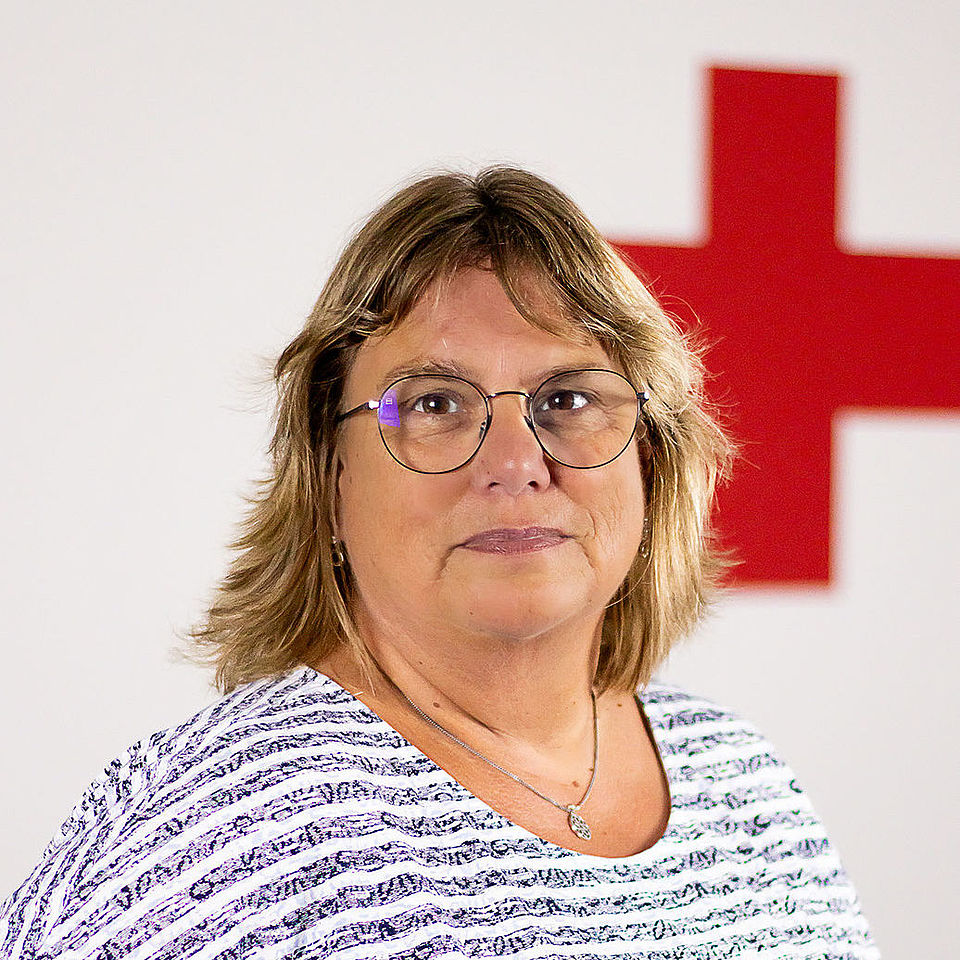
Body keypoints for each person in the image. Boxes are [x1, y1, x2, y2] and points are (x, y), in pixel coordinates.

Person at [0, 167, 878, 959]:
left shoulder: (738, 775)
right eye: (433, 404)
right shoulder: (222, 821)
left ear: (650, 460)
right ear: (330, 477)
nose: (516, 462)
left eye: (569, 398)